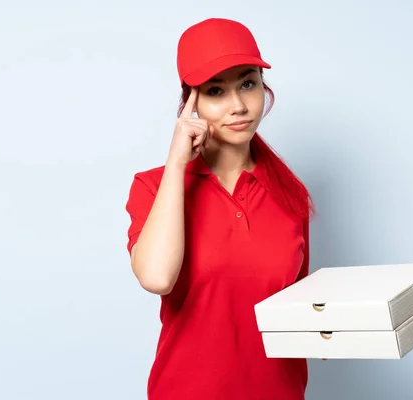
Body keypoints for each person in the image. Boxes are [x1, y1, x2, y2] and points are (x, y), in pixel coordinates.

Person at [124, 17, 314, 399]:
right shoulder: (153, 187)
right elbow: (157, 279)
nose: (239, 106)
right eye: (215, 91)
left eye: (248, 84)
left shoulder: (290, 193)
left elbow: (297, 309)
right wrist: (177, 164)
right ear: (190, 104)